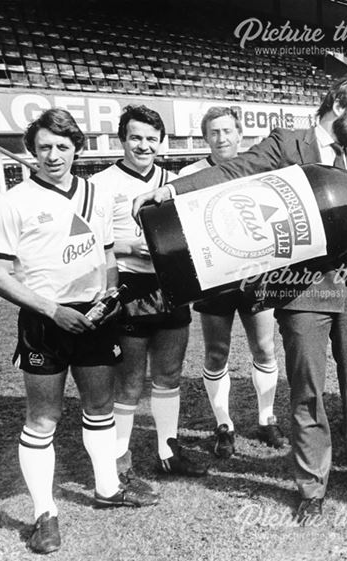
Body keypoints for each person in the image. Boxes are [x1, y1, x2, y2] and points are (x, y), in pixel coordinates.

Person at [133, 74, 347, 523]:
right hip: (301, 289)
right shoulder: (287, 145)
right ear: (337, 105)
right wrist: (175, 190)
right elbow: (233, 170)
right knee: (307, 387)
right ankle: (311, 485)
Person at [0, 109, 157, 555]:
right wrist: (52, 310)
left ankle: (107, 488)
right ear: (33, 150)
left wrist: (107, 292)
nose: (53, 155)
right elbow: (0, 274)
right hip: (44, 321)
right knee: (43, 417)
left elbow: (107, 253)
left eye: (62, 147)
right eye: (45, 146)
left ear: (75, 149)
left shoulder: (94, 194)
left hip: (93, 318)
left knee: (100, 405)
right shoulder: (13, 201)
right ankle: (44, 513)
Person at [94, 105, 207, 485]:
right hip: (128, 287)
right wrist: (130, 247)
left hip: (169, 287)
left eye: (151, 139)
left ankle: (166, 452)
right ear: (121, 140)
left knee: (169, 374)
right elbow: (95, 244)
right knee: (129, 382)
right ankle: (119, 459)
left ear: (162, 142)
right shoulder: (101, 184)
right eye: (136, 138)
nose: (143, 145)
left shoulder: (171, 182)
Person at [178, 107, 285, 458]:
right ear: (205, 137)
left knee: (265, 347)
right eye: (214, 132)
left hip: (256, 273)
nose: (221, 138)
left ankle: (267, 419)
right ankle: (223, 424)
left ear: (240, 135)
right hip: (212, 279)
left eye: (227, 131)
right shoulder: (190, 174)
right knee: (216, 351)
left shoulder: (258, 169)